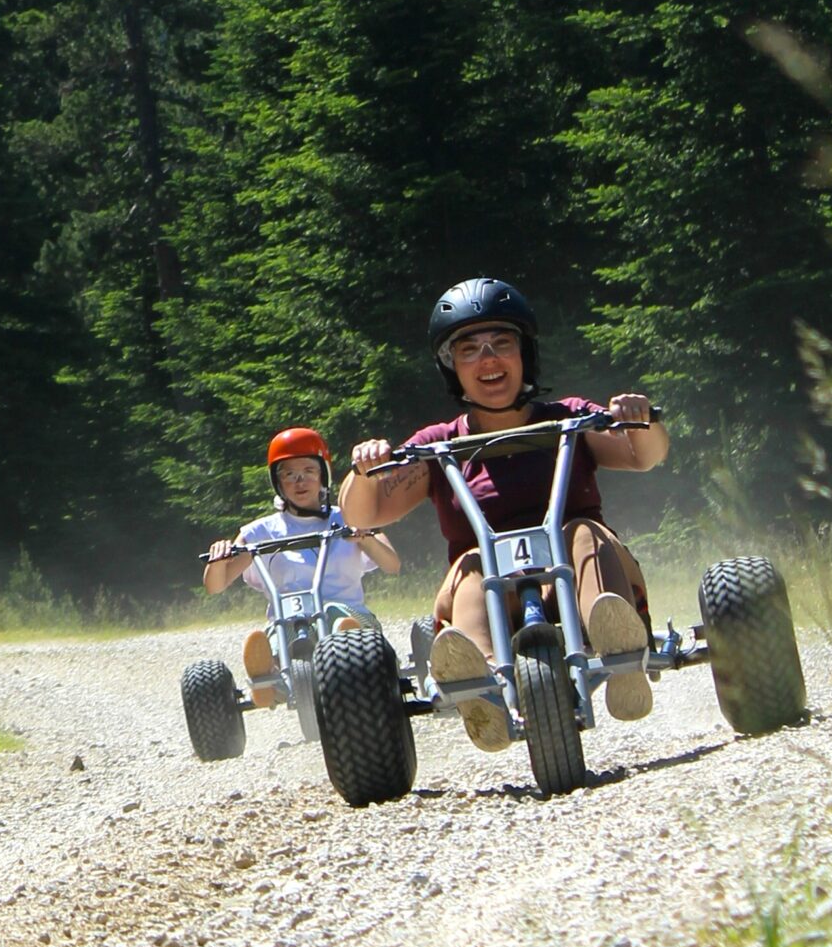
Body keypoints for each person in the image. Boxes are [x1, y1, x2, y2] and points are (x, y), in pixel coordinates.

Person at [339, 278, 669, 751]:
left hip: (579, 576)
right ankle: (483, 691)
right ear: (453, 368)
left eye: (501, 343)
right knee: (473, 567)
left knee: (579, 532)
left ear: (524, 356)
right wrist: (365, 471)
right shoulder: (438, 445)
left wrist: (642, 419)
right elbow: (362, 515)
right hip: (489, 587)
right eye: (469, 349)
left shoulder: (569, 419)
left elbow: (646, 455)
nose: (488, 359)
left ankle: (618, 652)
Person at [204, 427, 402, 707]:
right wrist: (218, 560)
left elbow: (392, 564)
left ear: (323, 476)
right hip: (291, 620)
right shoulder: (261, 531)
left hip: (348, 613)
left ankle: (348, 643)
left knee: (340, 619)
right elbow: (215, 586)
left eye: (309, 470)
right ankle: (269, 678)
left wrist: (365, 538)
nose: (300, 481)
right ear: (277, 482)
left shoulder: (350, 515)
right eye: (289, 474)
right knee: (280, 632)